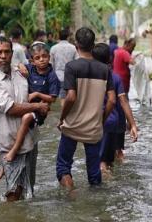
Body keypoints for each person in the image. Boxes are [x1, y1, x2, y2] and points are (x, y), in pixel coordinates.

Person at [0, 36, 49, 201]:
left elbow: (37, 88)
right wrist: (38, 107)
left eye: (6, 52)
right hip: (10, 145)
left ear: (12, 53)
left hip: (30, 140)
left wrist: (42, 109)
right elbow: (11, 108)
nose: (3, 56)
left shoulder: (21, 73)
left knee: (28, 191)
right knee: (14, 193)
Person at [56, 27, 115, 190]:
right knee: (94, 175)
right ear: (92, 44)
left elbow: (71, 97)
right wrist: (101, 120)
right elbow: (112, 100)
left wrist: (62, 118)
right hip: (93, 128)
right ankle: (95, 207)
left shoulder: (72, 67)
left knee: (63, 168)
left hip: (72, 126)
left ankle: (71, 194)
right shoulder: (105, 70)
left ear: (77, 45)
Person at [4, 42, 60, 162]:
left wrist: (37, 94)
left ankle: (14, 150)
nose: (42, 60)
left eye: (44, 56)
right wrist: (20, 65)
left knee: (26, 118)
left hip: (40, 109)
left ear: (49, 57)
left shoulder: (52, 76)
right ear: (32, 61)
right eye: (37, 58)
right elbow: (13, 67)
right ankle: (9, 146)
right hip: (25, 104)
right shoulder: (30, 69)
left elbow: (53, 98)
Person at [92, 43, 138, 173]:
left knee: (101, 163)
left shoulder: (90, 77)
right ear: (110, 59)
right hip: (113, 123)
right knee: (110, 160)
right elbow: (124, 102)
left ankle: (106, 187)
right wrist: (132, 124)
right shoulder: (115, 78)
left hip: (97, 122)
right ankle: (113, 182)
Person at [50, 28, 78, 107]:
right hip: (71, 76)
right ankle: (67, 116)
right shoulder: (73, 48)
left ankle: (63, 116)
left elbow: (51, 64)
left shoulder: (54, 48)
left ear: (59, 36)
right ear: (68, 37)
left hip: (59, 75)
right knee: (70, 97)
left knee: (62, 97)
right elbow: (77, 61)